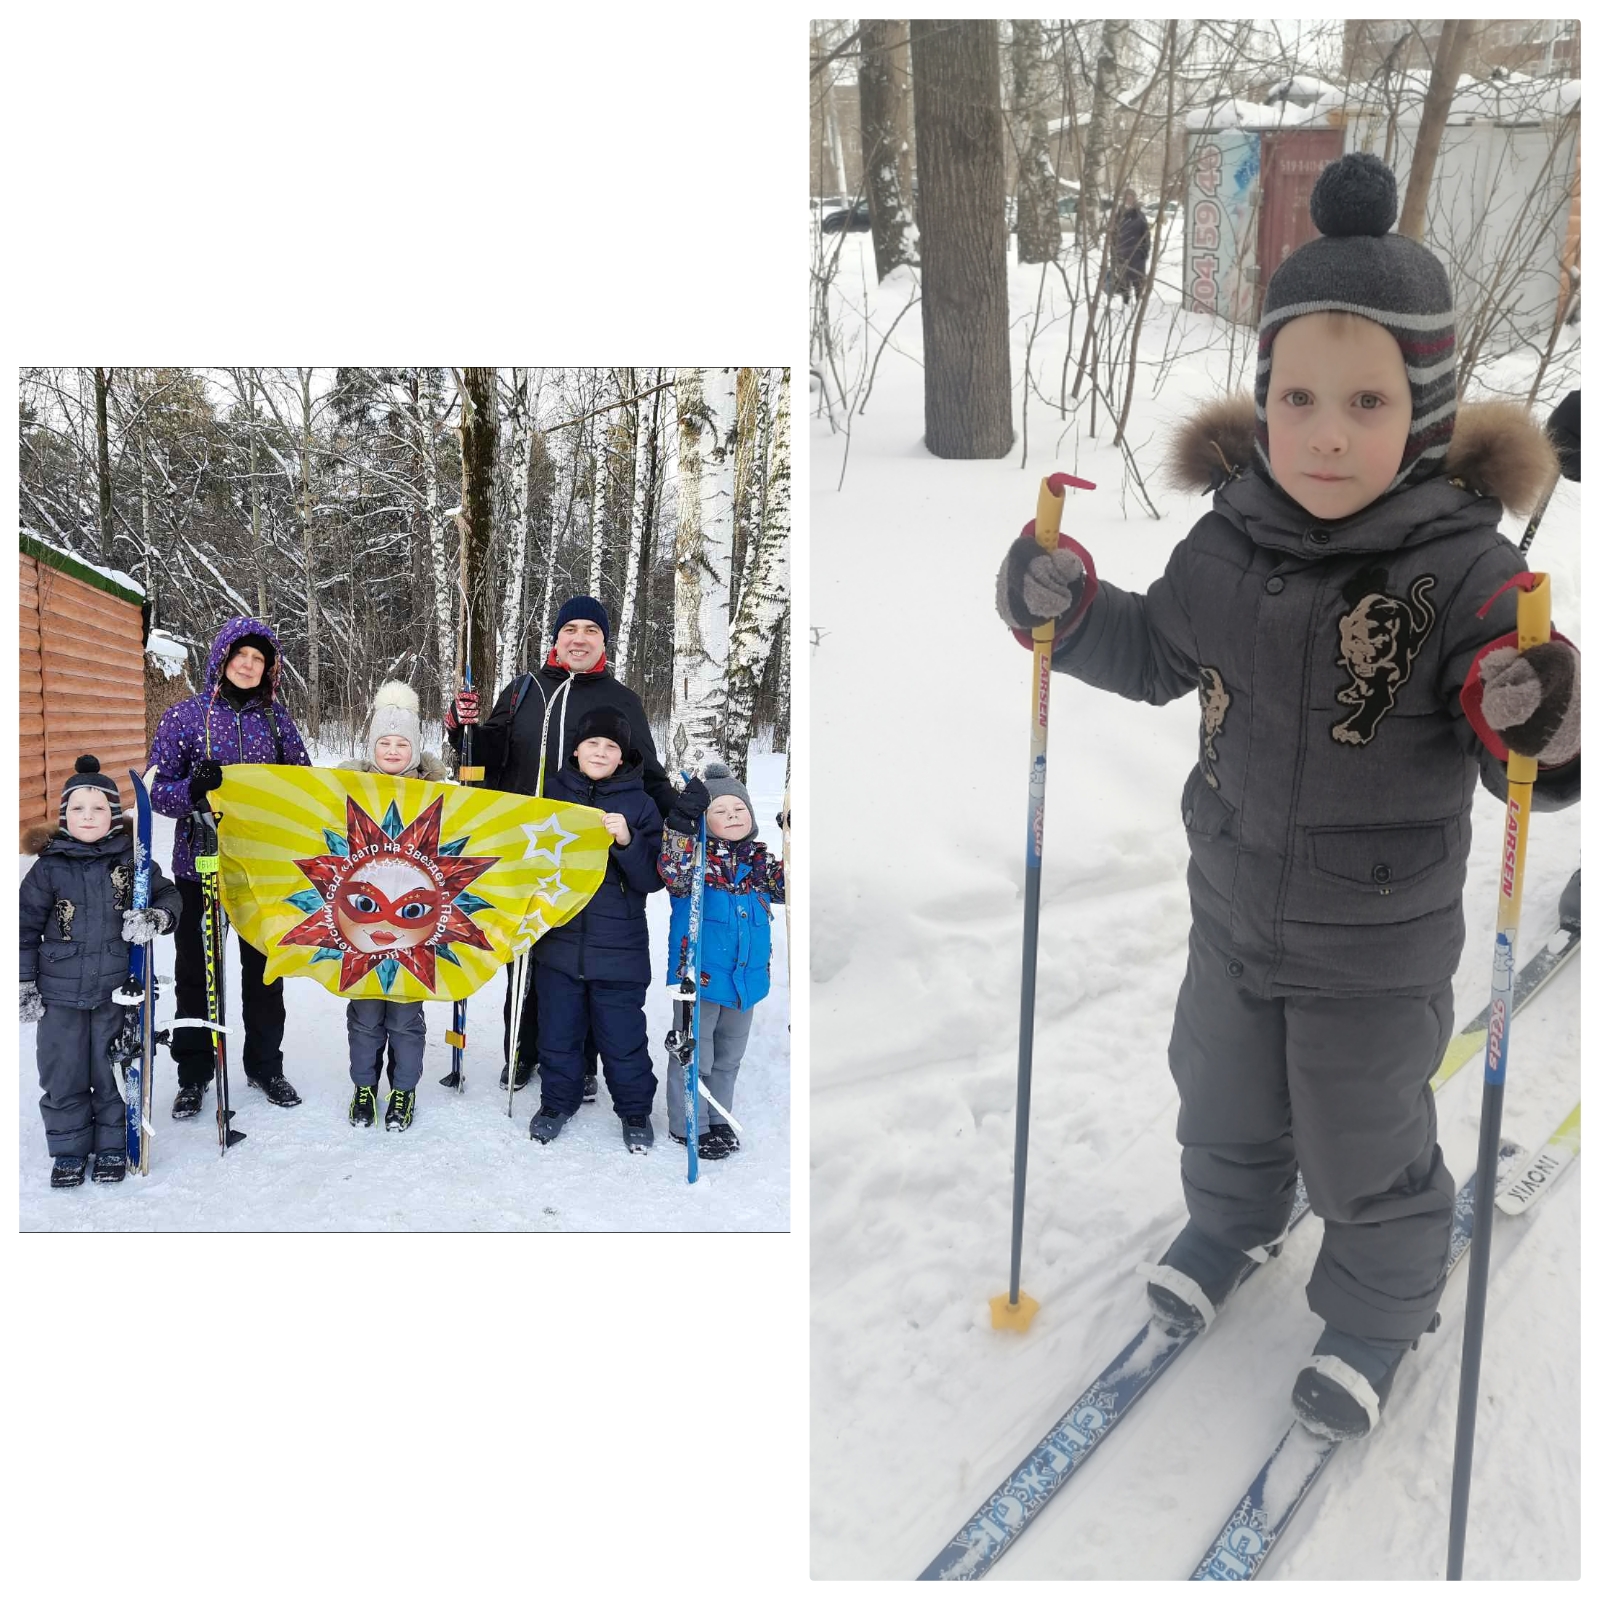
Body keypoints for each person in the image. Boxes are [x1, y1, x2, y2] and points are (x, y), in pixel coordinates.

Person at [994, 153, 1580, 1442]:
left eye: (1366, 402)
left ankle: (1378, 1303)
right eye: (1298, 396)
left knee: (1362, 1133)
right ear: (1262, 400)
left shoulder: (1468, 575)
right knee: (1220, 1089)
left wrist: (1532, 706)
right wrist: (1064, 607)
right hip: (1234, 903)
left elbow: (1522, 745)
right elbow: (1159, 652)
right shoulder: (1231, 538)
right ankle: (1229, 1222)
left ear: (1423, 418)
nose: (1325, 431)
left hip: (1374, 944)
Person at [444, 595, 676, 1098]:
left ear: (603, 642)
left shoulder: (623, 700)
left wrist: (681, 812)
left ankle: (582, 1062)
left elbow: (647, 773)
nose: (578, 638)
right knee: (525, 949)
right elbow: (487, 756)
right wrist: (462, 729)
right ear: (556, 638)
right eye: (569, 628)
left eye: (590, 630)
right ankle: (524, 1050)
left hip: (588, 856)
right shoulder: (525, 690)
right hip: (520, 846)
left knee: (583, 959)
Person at [146, 617, 312, 1119]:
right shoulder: (184, 718)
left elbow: (302, 788)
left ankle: (265, 1065)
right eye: (241, 655)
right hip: (199, 865)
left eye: (259, 658)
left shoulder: (278, 722)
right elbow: (156, 791)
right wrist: (192, 790)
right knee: (195, 972)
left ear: (269, 669)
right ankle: (193, 1073)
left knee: (264, 970)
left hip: (260, 869)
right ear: (222, 657)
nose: (248, 664)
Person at [20, 756, 182, 1187]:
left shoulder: (131, 860)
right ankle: (70, 1151)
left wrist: (155, 918)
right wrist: (22, 983)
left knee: (113, 1070)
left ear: (114, 815)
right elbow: (22, 928)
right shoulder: (48, 868)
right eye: (77, 808)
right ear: (63, 815)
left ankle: (113, 1145)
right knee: (62, 1073)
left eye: (98, 808)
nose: (87, 816)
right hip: (59, 996)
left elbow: (168, 896)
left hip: (117, 990)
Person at [526, 707, 664, 1152]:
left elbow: (651, 880)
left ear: (622, 756)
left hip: (619, 949)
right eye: (593, 744)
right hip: (558, 942)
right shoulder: (549, 795)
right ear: (576, 749)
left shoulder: (639, 804)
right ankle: (555, 1103)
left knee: (623, 1039)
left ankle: (635, 1110)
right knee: (558, 1034)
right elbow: (524, 861)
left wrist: (628, 841)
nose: (601, 752)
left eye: (610, 747)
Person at [336, 681, 451, 1132]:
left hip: (413, 926)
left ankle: (403, 1089)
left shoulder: (438, 793)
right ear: (371, 746)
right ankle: (364, 1086)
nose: (392, 750)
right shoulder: (347, 786)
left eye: (402, 743)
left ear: (415, 750)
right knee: (365, 1016)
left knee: (405, 1018)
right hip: (359, 922)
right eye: (384, 742)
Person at [659, 762, 785, 1160]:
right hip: (698, 978)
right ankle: (687, 1123)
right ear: (704, 819)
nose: (732, 816)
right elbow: (671, 870)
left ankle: (717, 1120)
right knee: (696, 1056)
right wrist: (680, 825)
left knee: (728, 1058)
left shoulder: (760, 864)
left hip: (745, 982)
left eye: (739, 809)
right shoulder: (692, 862)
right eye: (720, 811)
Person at [1109, 188, 1150, 304]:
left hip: (1137, 256)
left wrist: (1144, 252)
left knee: (1138, 283)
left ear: (1134, 199)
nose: (1129, 200)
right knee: (1124, 283)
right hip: (1121, 255)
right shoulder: (1118, 216)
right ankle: (1125, 306)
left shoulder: (1140, 216)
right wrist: (1113, 253)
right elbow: (1113, 236)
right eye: (1126, 198)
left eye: (1131, 198)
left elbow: (1146, 235)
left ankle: (1138, 306)